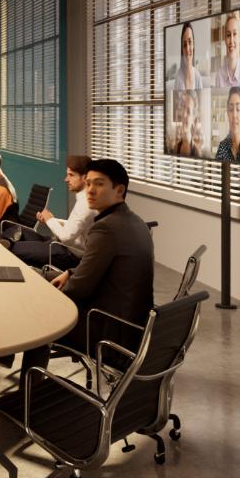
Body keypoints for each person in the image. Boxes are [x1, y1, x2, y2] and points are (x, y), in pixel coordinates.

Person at [20, 158, 154, 379]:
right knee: (39, 278)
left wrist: (47, 295)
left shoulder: (106, 228)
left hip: (107, 332)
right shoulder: (134, 221)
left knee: (39, 314)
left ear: (119, 190)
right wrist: (70, 273)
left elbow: (79, 290)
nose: (90, 190)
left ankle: (27, 394)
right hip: (131, 326)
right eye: (89, 183)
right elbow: (102, 267)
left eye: (99, 184)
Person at [10, 154, 92, 270]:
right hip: (60, 245)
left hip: (68, 254)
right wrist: (51, 220)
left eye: (71, 175)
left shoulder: (86, 203)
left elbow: (67, 237)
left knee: (13, 248)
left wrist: (50, 220)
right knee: (20, 232)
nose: (66, 179)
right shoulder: (83, 200)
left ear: (85, 178)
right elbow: (76, 225)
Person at [212, 11, 240, 88]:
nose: (231, 40)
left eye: (235, 34)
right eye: (228, 35)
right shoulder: (219, 75)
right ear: (225, 39)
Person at [165, 88, 205, 158]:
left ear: (193, 118)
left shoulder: (197, 153)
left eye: (188, 111)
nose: (183, 114)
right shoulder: (176, 147)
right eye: (183, 107)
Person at [172, 21, 205, 90]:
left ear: (194, 45)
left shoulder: (197, 77)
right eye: (184, 45)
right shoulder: (178, 79)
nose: (187, 49)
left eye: (190, 42)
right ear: (182, 50)